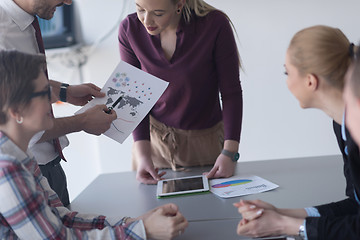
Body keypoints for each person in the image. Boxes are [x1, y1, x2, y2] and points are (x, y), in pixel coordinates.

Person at [0, 50, 188, 240]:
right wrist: (143, 231)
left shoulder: (21, 153)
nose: (52, 101)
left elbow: (62, 218)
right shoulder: (7, 169)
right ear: (16, 111)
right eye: (44, 94)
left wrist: (132, 223)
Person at [234, 25, 360, 239]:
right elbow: (356, 205)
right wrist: (282, 214)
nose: (286, 81)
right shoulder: (342, 124)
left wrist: (287, 226)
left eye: (287, 72)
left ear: (310, 81)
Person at [0, 0, 117, 206]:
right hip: (26, 176)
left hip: (50, 167)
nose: (68, 2)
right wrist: (82, 122)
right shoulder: (3, 35)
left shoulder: (21, 23)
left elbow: (22, 81)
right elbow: (26, 127)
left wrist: (64, 91)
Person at [118, 0, 243, 184]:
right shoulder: (129, 29)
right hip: (152, 145)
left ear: (179, 4)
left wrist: (229, 153)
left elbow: (231, 92)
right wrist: (143, 155)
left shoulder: (215, 24)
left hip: (206, 143)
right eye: (140, 9)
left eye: (158, 13)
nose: (147, 20)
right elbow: (133, 96)